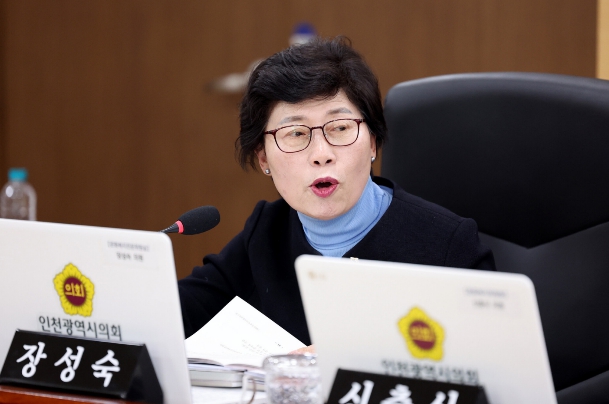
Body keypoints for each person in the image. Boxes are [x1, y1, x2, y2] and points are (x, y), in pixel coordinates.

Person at [178, 37, 495, 348]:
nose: (321, 154)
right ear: (263, 159)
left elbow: (492, 359)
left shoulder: (447, 245)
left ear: (372, 142)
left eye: (340, 128)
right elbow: (180, 314)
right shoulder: (266, 233)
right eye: (295, 133)